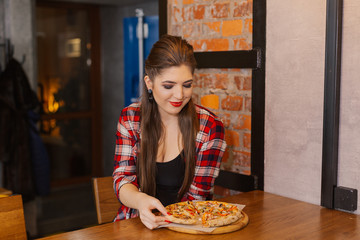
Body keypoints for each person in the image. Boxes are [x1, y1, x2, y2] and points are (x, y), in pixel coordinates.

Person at [112, 34, 227, 229]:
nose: (180, 95)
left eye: (187, 85)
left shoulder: (209, 127)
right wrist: (140, 201)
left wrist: (165, 222)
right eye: (168, 85)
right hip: (134, 226)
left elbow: (197, 199)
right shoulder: (130, 118)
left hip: (187, 229)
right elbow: (122, 178)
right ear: (149, 83)